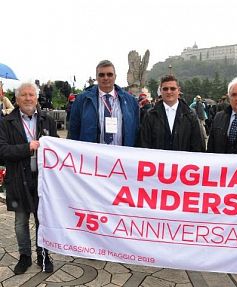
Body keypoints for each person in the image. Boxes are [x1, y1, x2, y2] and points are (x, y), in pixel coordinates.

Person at [0, 82, 58, 275]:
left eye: (31, 95)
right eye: (23, 95)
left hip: (43, 180)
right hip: (18, 178)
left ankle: (43, 255)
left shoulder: (46, 120)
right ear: (16, 99)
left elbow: (56, 146)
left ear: (36, 98)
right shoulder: (6, 122)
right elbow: (2, 151)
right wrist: (28, 147)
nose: (28, 98)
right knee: (20, 222)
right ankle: (24, 257)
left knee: (43, 219)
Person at [69, 60, 139, 145]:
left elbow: (136, 131)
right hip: (93, 156)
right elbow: (73, 131)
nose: (106, 78)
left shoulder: (130, 101)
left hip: (121, 156)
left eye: (109, 74)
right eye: (101, 75)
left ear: (115, 76)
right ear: (97, 78)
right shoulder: (82, 100)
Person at [139, 74, 204, 152]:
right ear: (161, 91)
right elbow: (144, 144)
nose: (169, 92)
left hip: (182, 162)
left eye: (172, 88)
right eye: (165, 89)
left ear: (179, 90)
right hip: (158, 162)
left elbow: (197, 145)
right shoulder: (150, 115)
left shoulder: (191, 115)